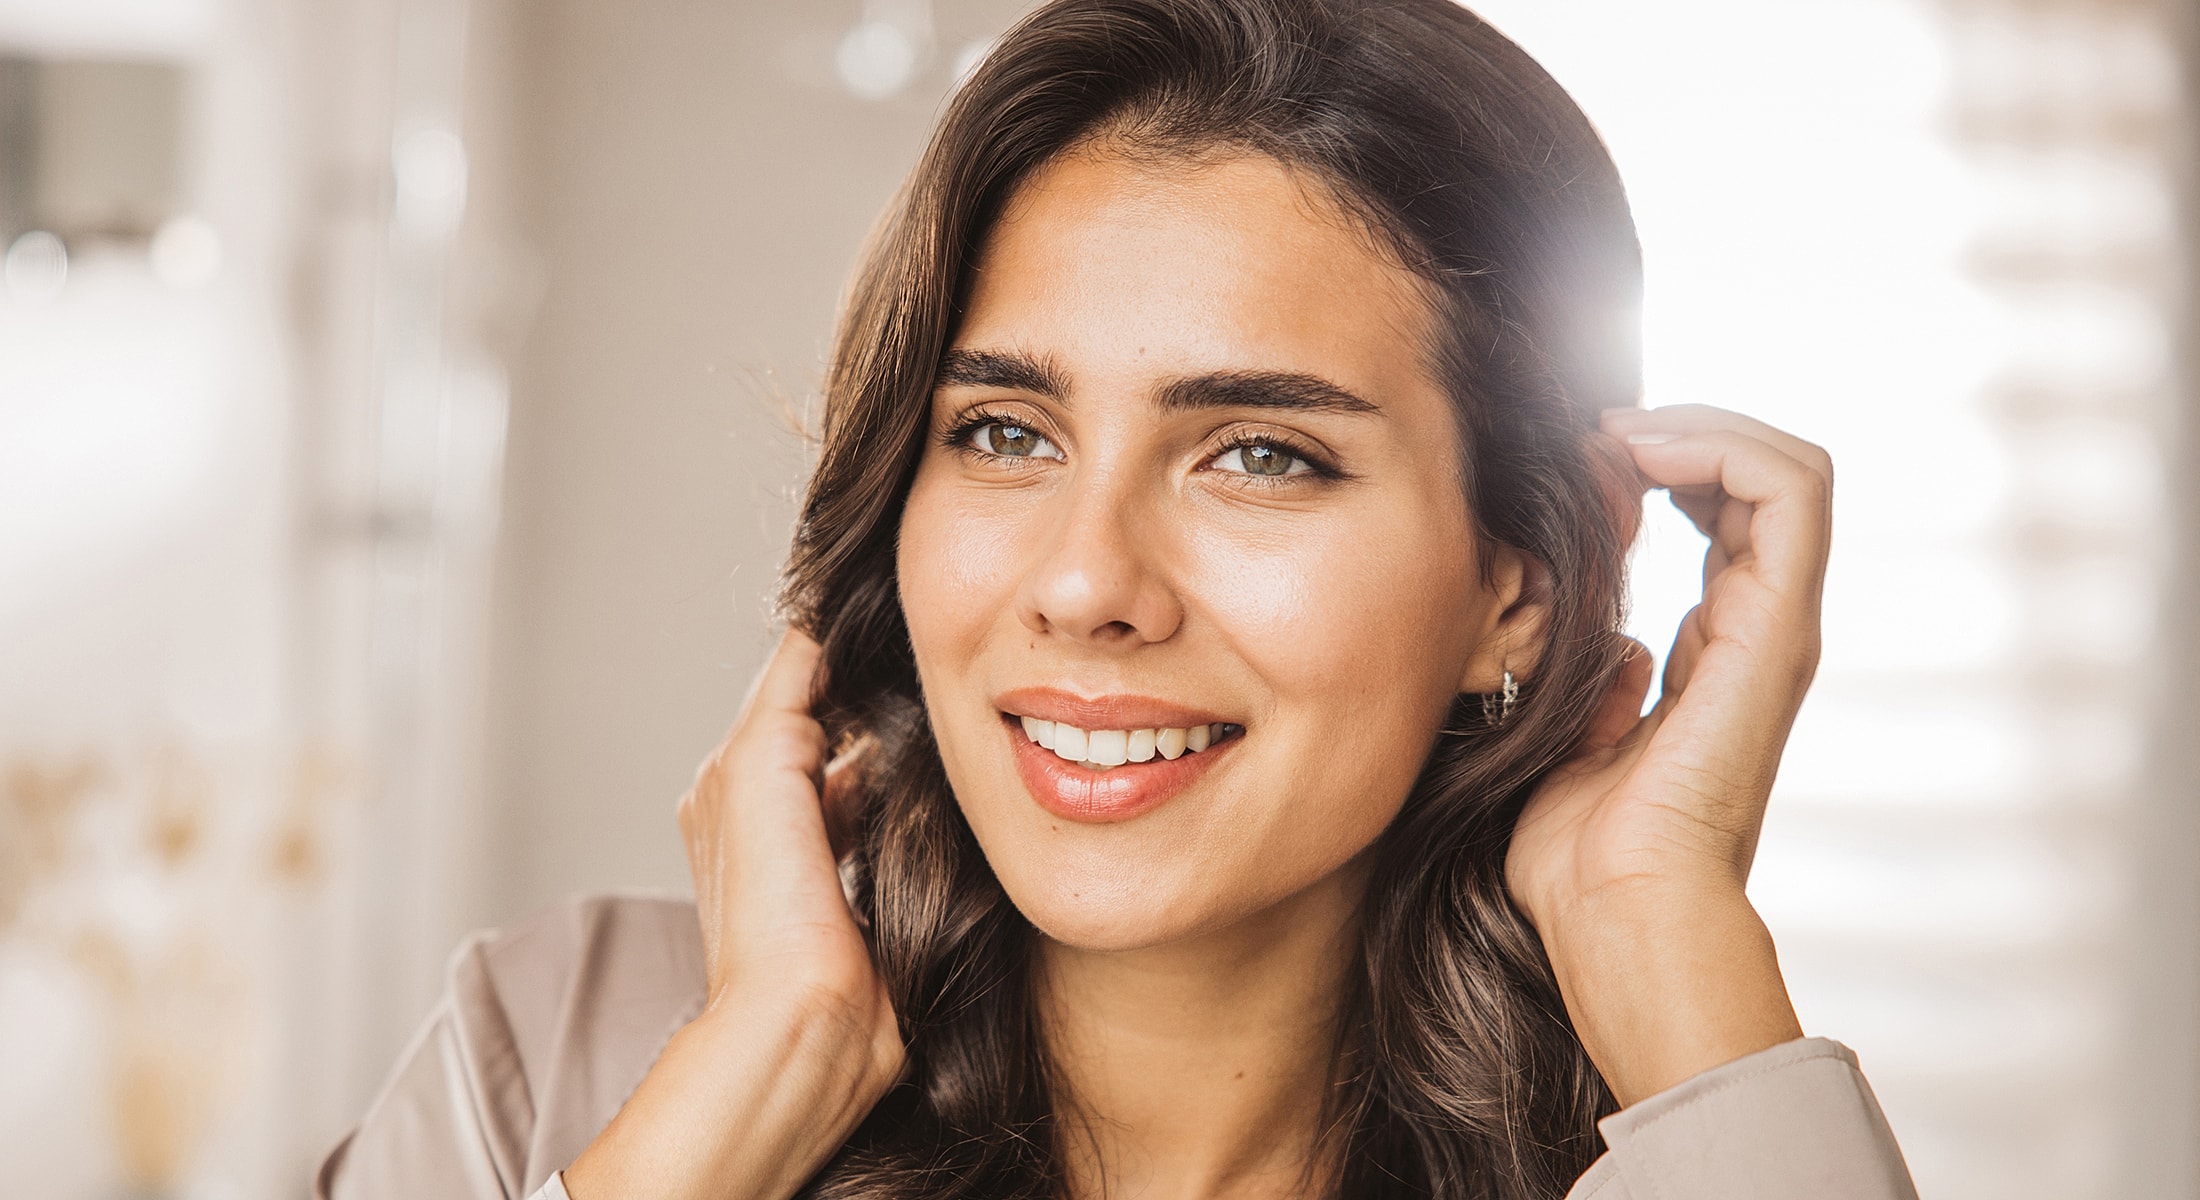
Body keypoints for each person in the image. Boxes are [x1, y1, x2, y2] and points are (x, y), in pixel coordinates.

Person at [317, 0, 1920, 1197]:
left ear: (1522, 584)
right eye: (1006, 433)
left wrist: (1663, 933)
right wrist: (750, 1081)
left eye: (1260, 457)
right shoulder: (560, 1054)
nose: (1085, 582)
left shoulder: (1690, 1150)